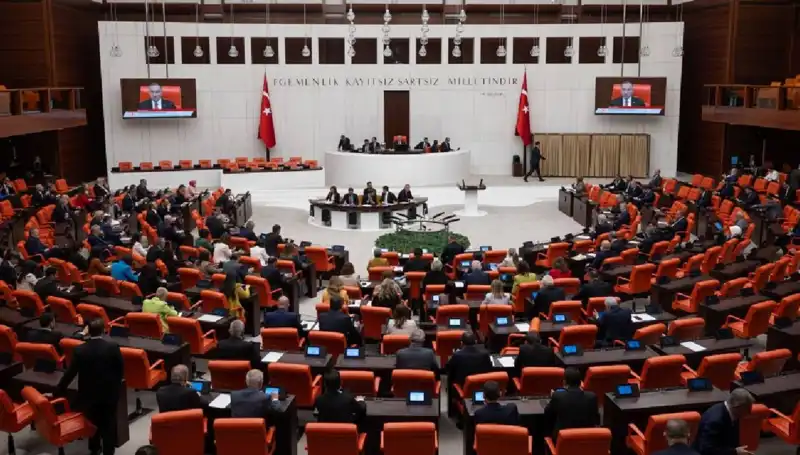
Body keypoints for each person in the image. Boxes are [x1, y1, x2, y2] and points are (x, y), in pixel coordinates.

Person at [57, 318, 124, 455]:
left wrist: (59, 390)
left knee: (92, 422)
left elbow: (70, 373)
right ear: (103, 330)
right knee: (109, 424)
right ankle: (108, 452)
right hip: (109, 394)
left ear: (88, 332)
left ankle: (94, 449)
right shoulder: (112, 347)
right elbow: (120, 369)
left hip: (88, 395)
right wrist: (116, 386)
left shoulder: (80, 350)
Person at [543, 367, 600, 440]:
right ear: (580, 382)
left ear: (564, 382)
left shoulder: (557, 396)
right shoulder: (592, 397)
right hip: (587, 439)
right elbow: (595, 418)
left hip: (563, 440)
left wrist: (552, 398)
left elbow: (547, 412)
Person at [694, 389, 755, 455]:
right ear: (737, 406)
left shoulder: (735, 414)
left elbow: (732, 442)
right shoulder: (715, 421)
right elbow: (707, 449)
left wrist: (739, 451)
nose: (749, 412)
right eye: (748, 408)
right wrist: (735, 452)